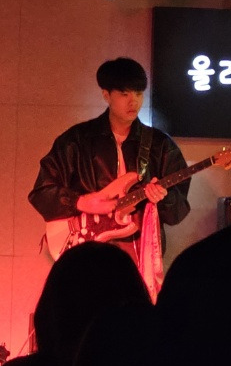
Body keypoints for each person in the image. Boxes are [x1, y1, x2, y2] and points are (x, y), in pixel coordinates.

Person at [28, 57, 189, 297]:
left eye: (138, 93)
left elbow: (178, 211)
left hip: (139, 254)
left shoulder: (161, 145)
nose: (133, 101)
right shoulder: (76, 140)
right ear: (106, 95)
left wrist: (163, 199)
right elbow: (41, 192)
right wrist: (81, 202)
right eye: (124, 94)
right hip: (86, 250)